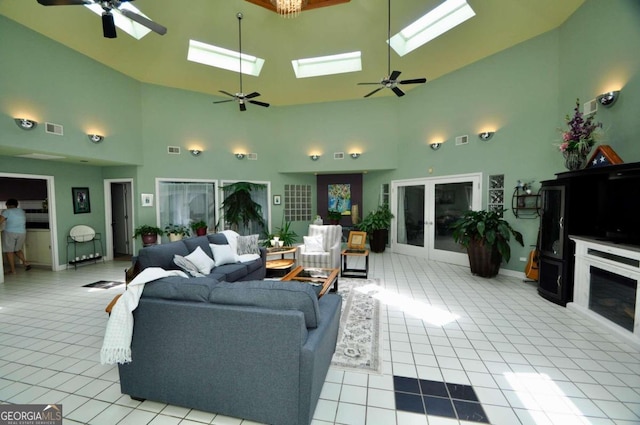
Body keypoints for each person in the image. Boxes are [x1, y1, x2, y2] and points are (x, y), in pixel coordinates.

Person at [0, 198, 31, 274]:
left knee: (9, 251)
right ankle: (26, 262)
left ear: (7, 205)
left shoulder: (7, 212)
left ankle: (13, 270)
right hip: (22, 232)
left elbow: (0, 221)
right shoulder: (21, 211)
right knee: (17, 249)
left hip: (10, 232)